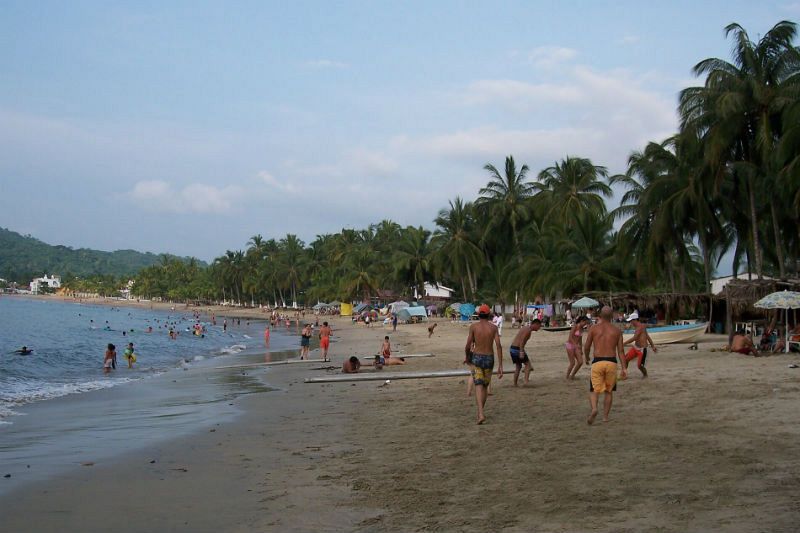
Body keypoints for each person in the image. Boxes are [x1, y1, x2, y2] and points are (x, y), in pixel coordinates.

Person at [583, 306, 626, 424]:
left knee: (594, 390)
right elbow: (621, 351)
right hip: (611, 362)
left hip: (597, 361)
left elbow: (586, 347)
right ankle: (605, 417)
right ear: (612, 317)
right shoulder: (616, 331)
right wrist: (624, 368)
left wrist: (586, 357)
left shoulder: (593, 329)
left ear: (600, 316)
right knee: (608, 391)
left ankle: (594, 409)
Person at [464, 303, 503, 424]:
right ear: (489, 315)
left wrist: (467, 357)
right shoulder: (494, 328)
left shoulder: (474, 327)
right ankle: (481, 412)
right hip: (489, 358)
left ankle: (480, 413)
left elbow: (468, 345)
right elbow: (498, 346)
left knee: (478, 386)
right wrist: (500, 365)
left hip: (477, 358)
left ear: (479, 314)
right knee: (485, 386)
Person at [622, 312, 656, 378]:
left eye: (631, 321)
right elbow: (647, 336)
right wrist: (653, 346)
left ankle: (645, 375)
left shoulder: (640, 327)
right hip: (636, 347)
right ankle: (624, 375)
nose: (630, 323)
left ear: (635, 320)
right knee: (625, 359)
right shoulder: (640, 327)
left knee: (639, 365)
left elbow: (635, 338)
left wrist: (624, 343)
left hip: (642, 349)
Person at [509, 319, 542, 386]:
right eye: (539, 326)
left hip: (512, 348)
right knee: (528, 365)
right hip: (518, 349)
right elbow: (522, 341)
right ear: (535, 324)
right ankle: (526, 382)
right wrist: (521, 351)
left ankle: (515, 383)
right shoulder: (528, 330)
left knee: (518, 366)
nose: (539, 328)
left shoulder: (525, 327)